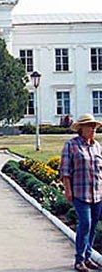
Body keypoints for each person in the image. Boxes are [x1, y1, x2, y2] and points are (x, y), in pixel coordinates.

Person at [60, 113, 102, 271]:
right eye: (89, 126)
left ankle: (88, 256)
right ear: (81, 128)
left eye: (94, 126)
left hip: (97, 194)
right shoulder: (71, 145)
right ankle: (79, 260)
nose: (93, 129)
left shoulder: (97, 146)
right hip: (80, 193)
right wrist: (68, 190)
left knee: (92, 227)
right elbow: (65, 171)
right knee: (85, 223)